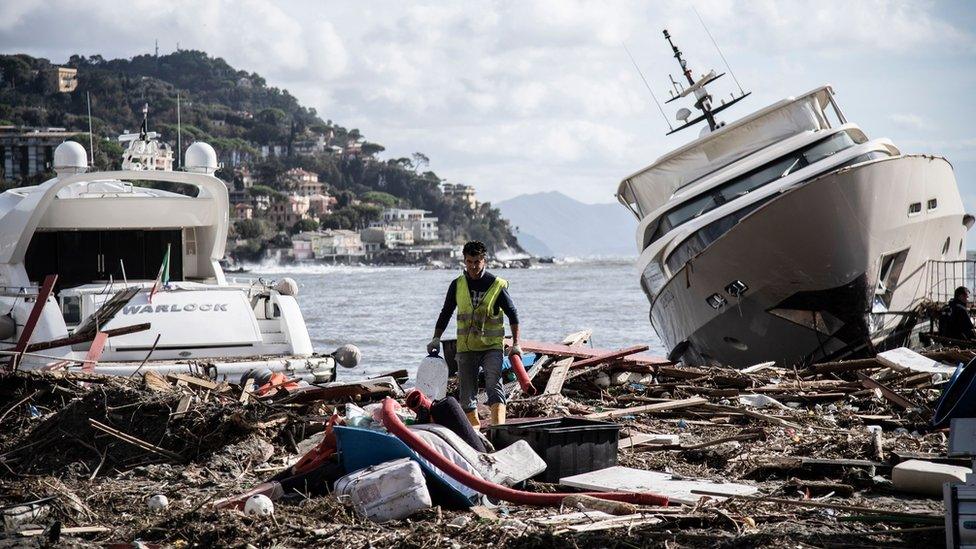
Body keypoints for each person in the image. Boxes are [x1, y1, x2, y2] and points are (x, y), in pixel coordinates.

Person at [428, 241, 520, 428]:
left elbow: (513, 314)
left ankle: (497, 429)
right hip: (466, 349)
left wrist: (516, 344)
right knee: (466, 396)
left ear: (484, 260)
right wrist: (436, 338)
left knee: (494, 385)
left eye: (477, 262)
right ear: (464, 260)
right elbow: (445, 312)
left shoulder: (496, 285)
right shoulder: (457, 285)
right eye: (469, 261)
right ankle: (476, 433)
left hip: (491, 347)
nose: (473, 266)